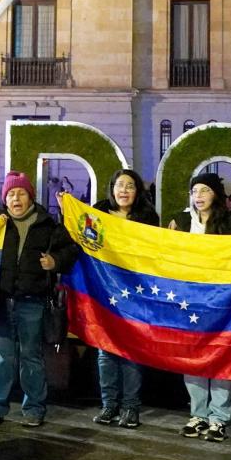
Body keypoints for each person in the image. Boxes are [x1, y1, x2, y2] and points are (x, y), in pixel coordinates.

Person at [0, 171, 78, 429]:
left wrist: (54, 262)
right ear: (5, 199)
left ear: (30, 197)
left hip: (32, 301)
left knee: (31, 356)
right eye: (11, 194)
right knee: (1, 356)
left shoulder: (47, 224)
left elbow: (70, 251)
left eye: (21, 193)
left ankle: (34, 408)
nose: (16, 198)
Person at [168, 171, 231, 442]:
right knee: (193, 355)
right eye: (195, 191)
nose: (198, 196)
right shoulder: (180, 222)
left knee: (220, 355)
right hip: (188, 298)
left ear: (216, 194)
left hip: (222, 299)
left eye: (204, 190)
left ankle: (219, 417)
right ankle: (198, 413)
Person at [91, 168, 155, 427]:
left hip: (136, 293)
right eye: (120, 185)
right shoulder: (98, 213)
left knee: (131, 351)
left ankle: (130, 408)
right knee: (105, 351)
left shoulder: (147, 218)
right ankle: (109, 406)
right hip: (104, 291)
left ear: (137, 191)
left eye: (130, 186)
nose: (124, 191)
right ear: (112, 188)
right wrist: (66, 210)